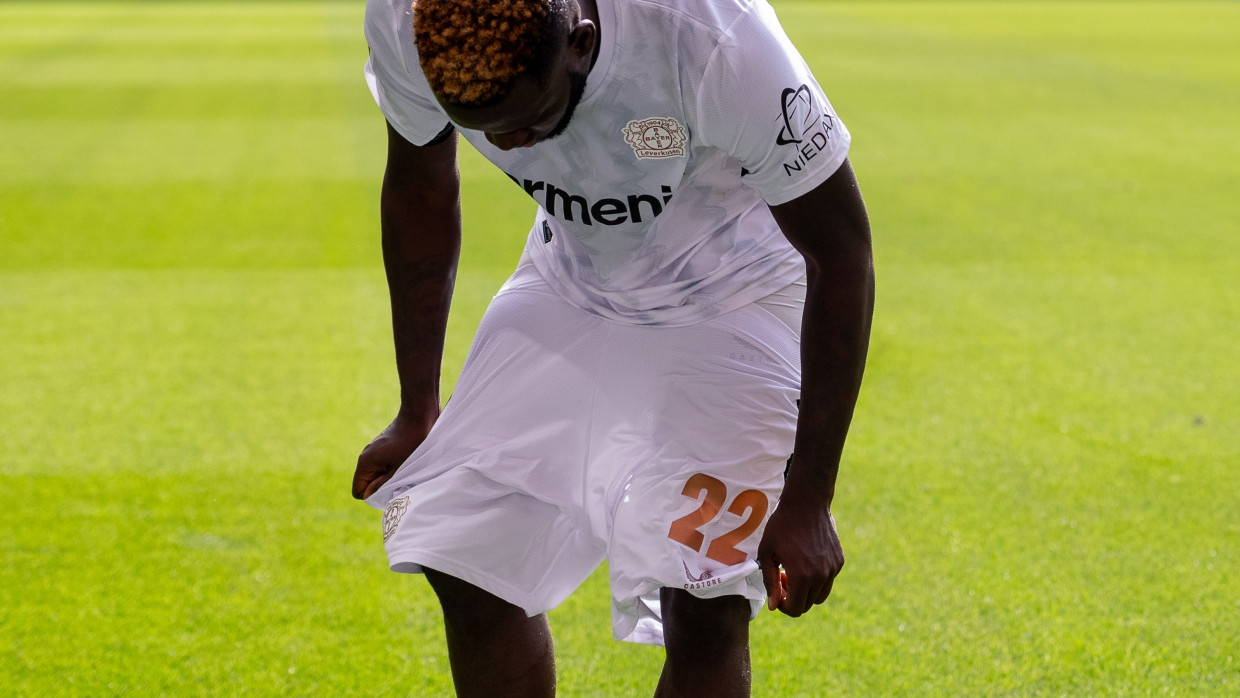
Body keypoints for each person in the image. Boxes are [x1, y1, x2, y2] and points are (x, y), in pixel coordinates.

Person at [351, 0, 873, 694]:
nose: (511, 149)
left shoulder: (716, 39)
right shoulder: (409, 20)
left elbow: (842, 254)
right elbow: (420, 186)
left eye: (527, 123)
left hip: (736, 298)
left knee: (705, 605)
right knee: (464, 552)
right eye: (487, 132)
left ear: (581, 43)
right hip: (573, 282)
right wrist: (418, 408)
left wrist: (808, 496)